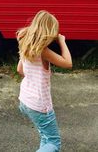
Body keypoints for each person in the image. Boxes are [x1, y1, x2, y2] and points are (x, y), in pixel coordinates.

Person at [16, 10, 72, 152]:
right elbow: (68, 63)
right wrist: (62, 42)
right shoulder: (43, 51)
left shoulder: (25, 43)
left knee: (45, 136)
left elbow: (20, 70)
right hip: (40, 106)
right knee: (54, 143)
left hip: (25, 101)